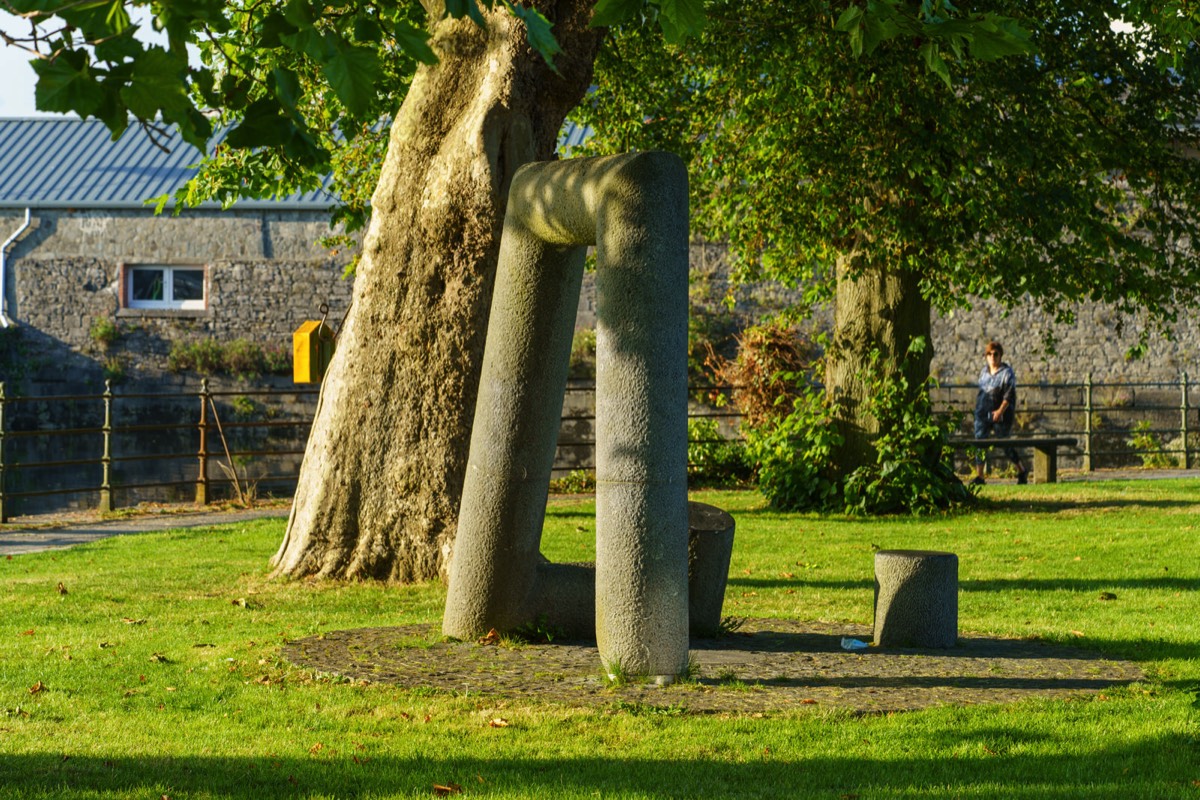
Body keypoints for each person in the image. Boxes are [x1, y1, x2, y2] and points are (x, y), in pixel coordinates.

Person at [972, 341, 1028, 485]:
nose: (992, 357)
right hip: (983, 413)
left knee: (1004, 443)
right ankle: (980, 476)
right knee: (980, 443)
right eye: (989, 354)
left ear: (1000, 355)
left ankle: (1021, 470)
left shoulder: (1007, 373)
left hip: (1001, 414)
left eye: (995, 354)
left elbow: (1009, 395)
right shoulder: (983, 372)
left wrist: (1000, 411)